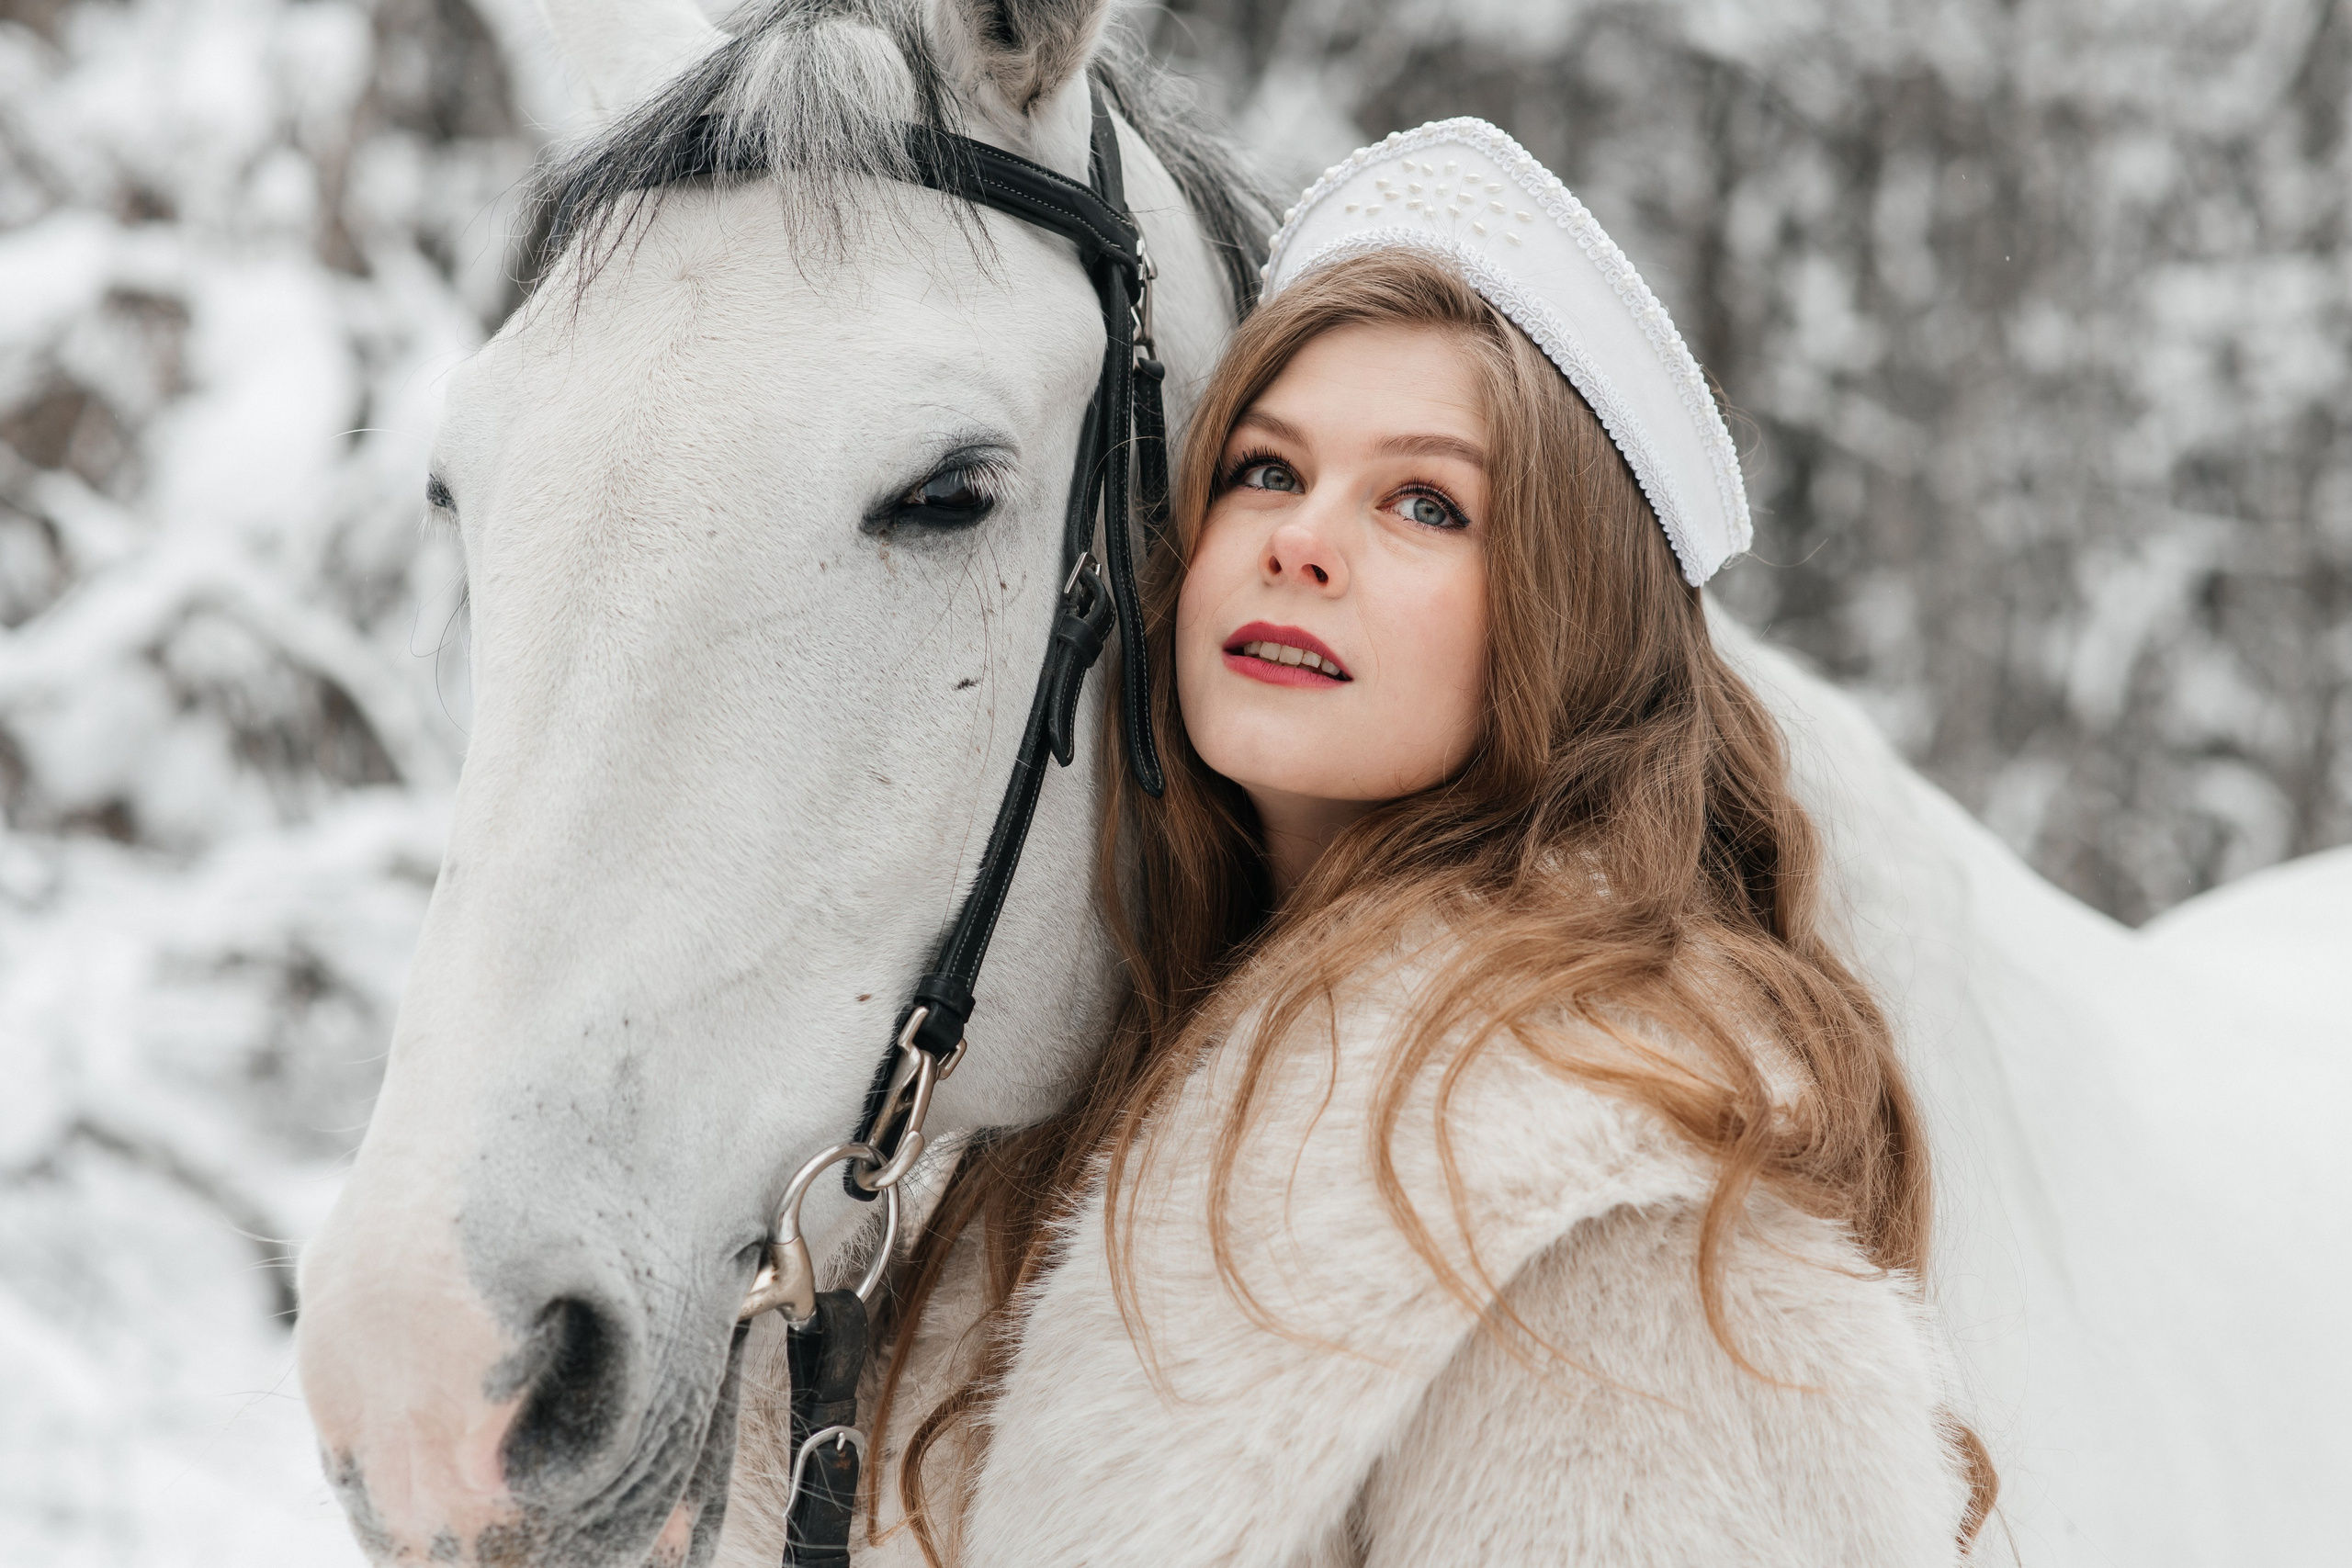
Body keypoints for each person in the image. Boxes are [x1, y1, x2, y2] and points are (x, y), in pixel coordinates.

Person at [864, 120, 1996, 1567]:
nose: (1301, 540)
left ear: (1563, 612)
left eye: (1424, 503)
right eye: (1266, 472)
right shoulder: (1067, 1094)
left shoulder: (1620, 1239)